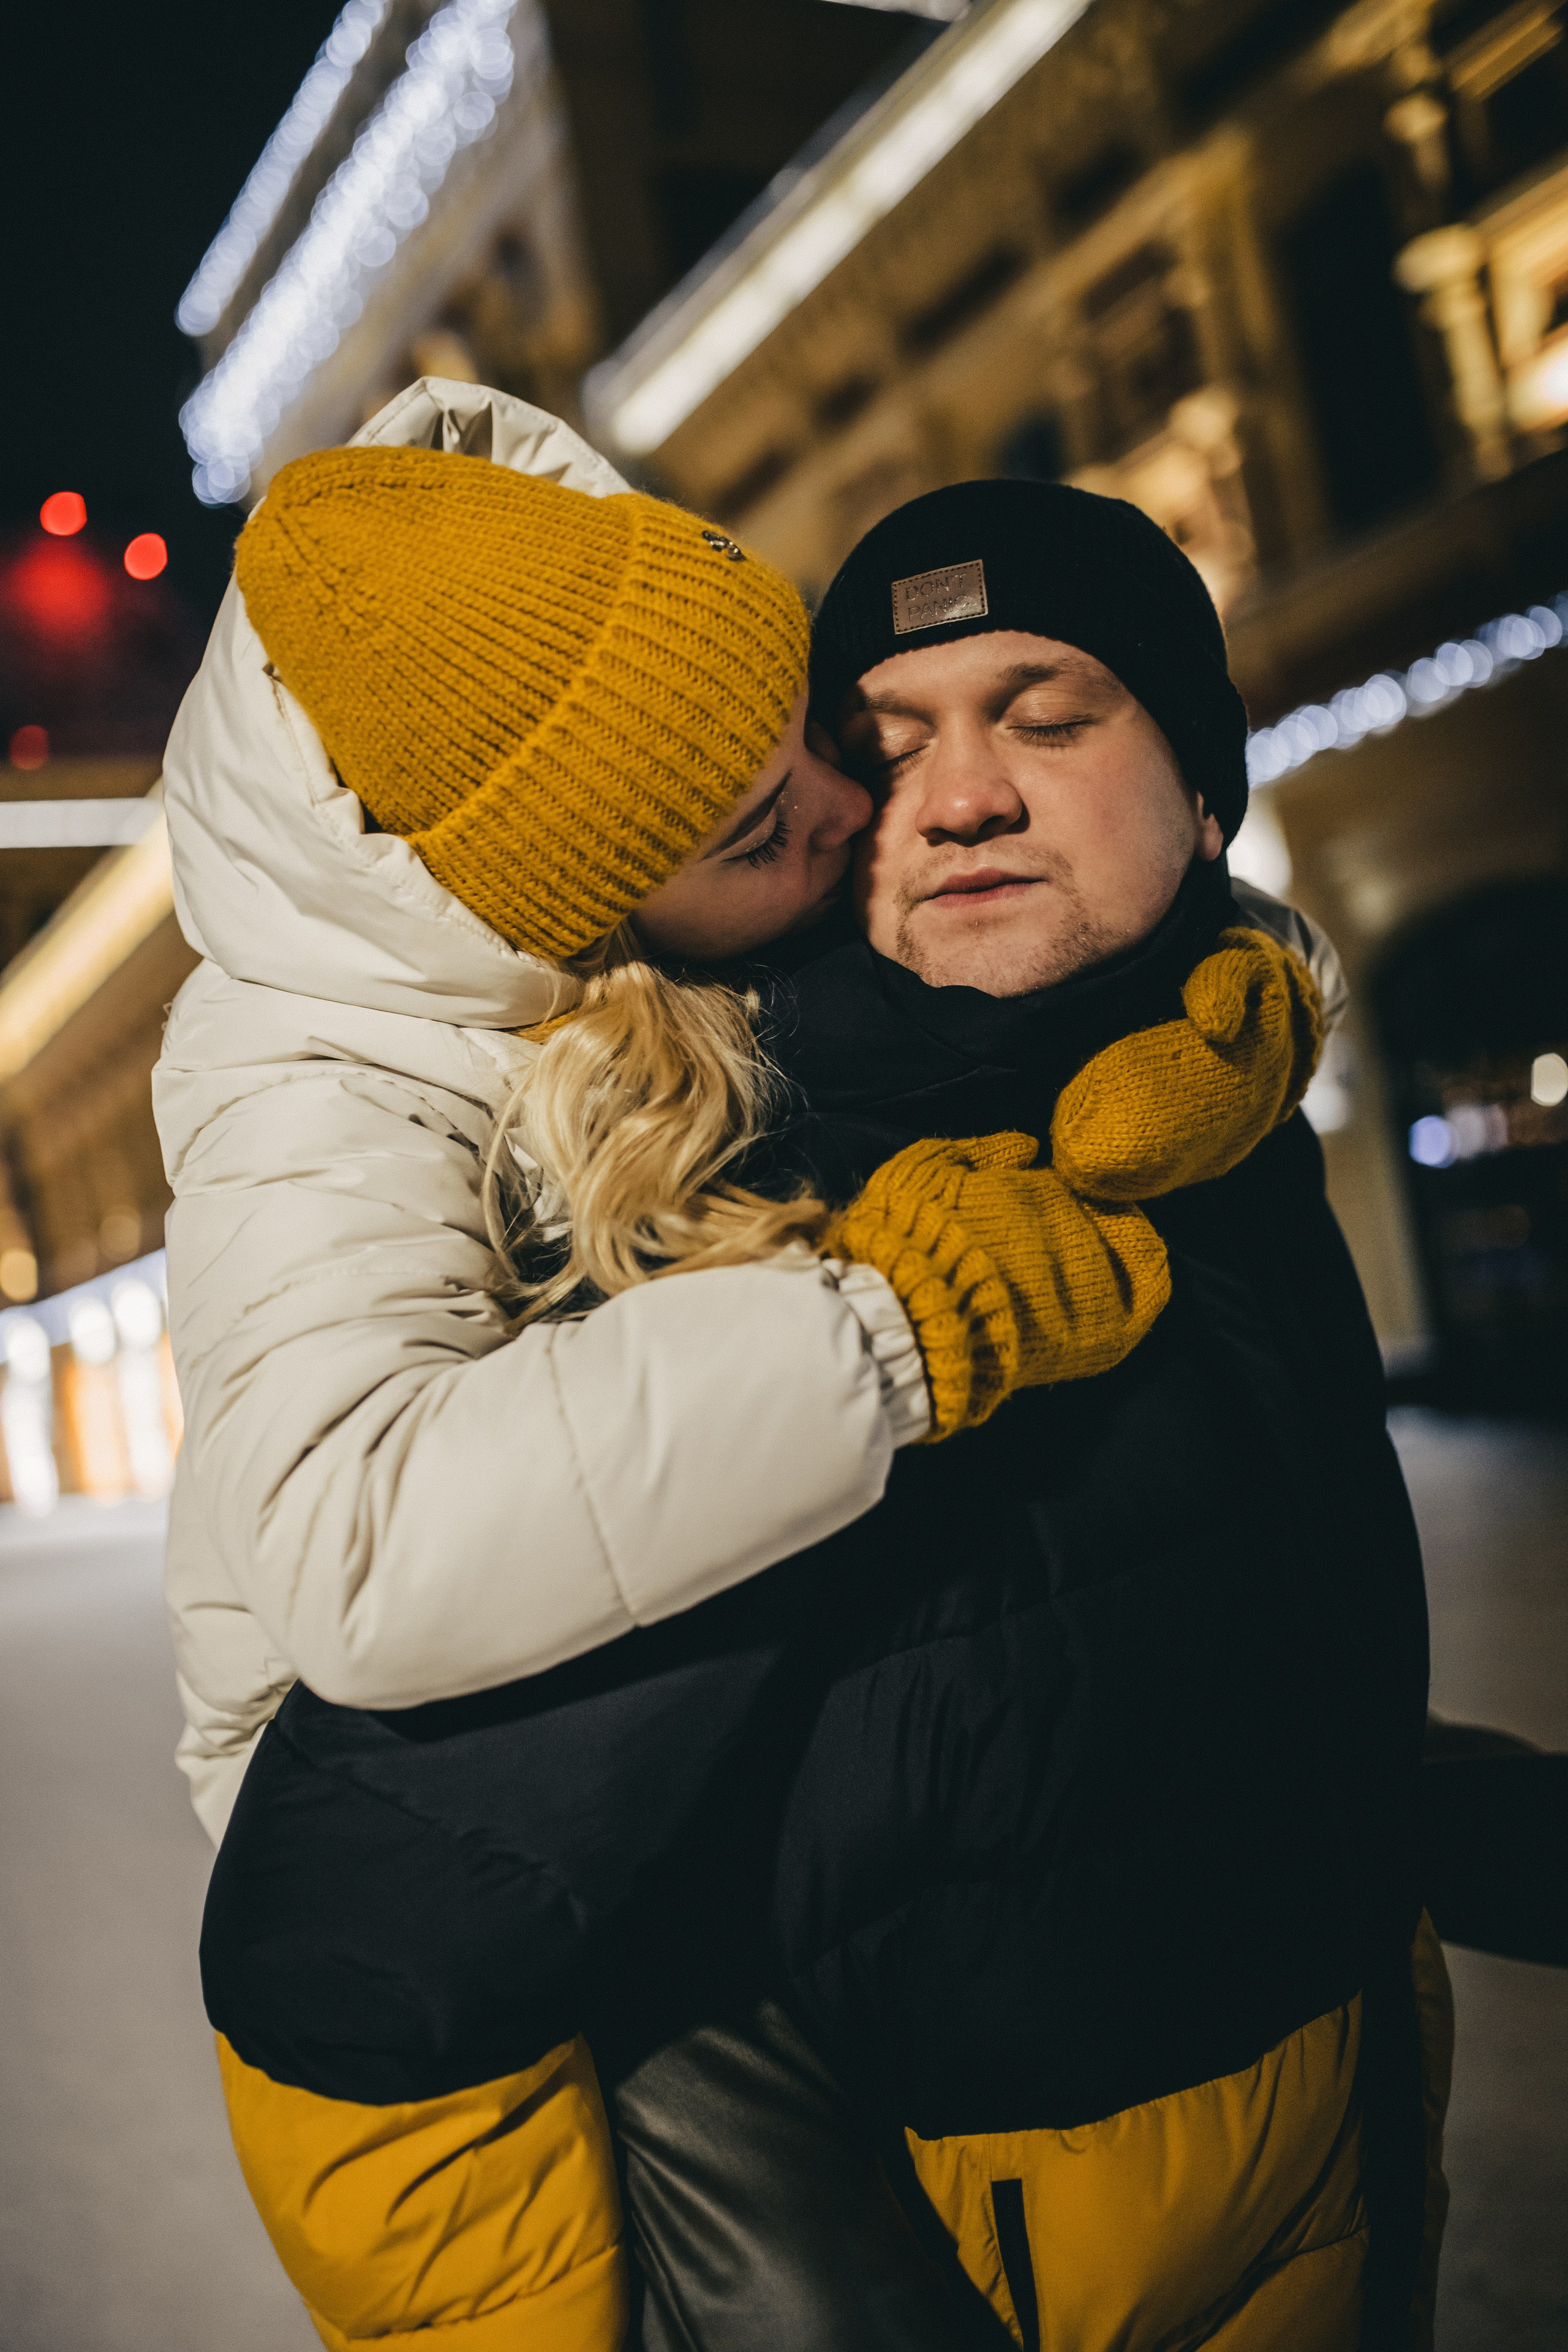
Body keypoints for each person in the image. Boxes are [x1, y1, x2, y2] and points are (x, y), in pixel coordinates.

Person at [190, 448, 1446, 2348]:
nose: (939, 801)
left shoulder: (1206, 1115)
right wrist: (891, 1320)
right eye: (884, 743)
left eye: (1048, 714)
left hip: (1333, 2193)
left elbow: (1198, 1674)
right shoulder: (696, 1239)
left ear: (1204, 795)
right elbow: (373, 1909)